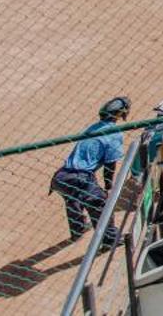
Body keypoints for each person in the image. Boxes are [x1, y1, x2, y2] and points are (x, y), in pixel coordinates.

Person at [51, 98, 128, 245]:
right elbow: (110, 164)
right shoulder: (114, 134)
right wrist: (108, 186)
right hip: (80, 178)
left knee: (73, 198)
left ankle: (77, 230)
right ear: (120, 114)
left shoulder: (93, 127)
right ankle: (109, 239)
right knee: (100, 203)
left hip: (60, 177)